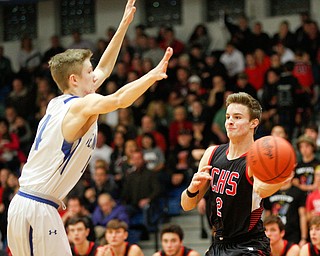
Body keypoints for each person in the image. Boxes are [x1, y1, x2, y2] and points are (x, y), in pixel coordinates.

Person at [7, 0, 173, 254]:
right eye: (88, 71)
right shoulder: (81, 105)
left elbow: (105, 67)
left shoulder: (58, 103)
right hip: (36, 208)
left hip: (31, 204)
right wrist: (151, 76)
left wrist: (124, 24)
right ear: (74, 79)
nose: (94, 74)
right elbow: (119, 100)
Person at [181, 92, 287, 255]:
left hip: (249, 244)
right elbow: (186, 205)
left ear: (253, 123)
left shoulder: (257, 158)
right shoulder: (211, 153)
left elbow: (262, 190)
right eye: (228, 116)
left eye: (237, 117)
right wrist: (192, 188)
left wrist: (281, 176)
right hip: (218, 244)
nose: (230, 121)